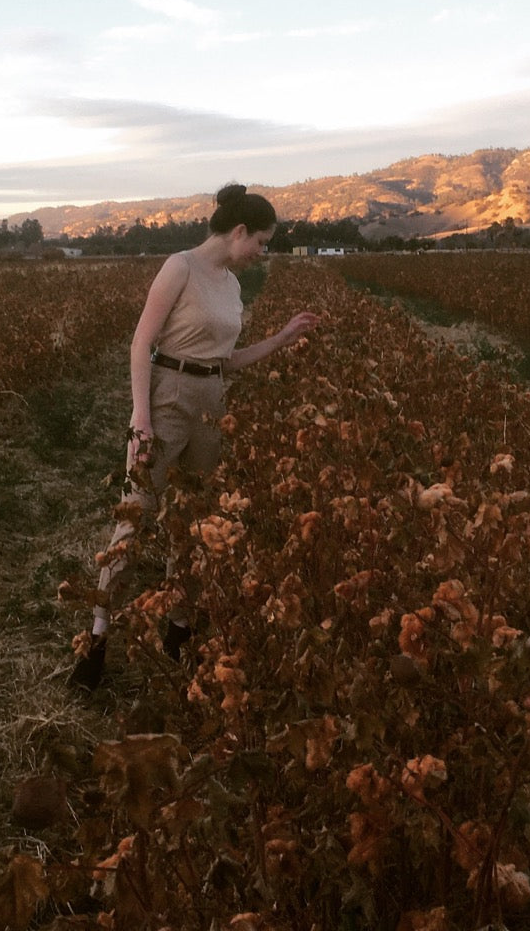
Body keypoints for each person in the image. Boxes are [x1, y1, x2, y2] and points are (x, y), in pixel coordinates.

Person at [70, 184, 319, 690]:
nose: (262, 253)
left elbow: (225, 361)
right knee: (135, 514)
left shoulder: (231, 284)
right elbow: (142, 343)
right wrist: (141, 416)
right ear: (239, 231)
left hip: (212, 405)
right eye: (263, 242)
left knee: (194, 520)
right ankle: (96, 635)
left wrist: (281, 339)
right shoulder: (180, 267)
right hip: (167, 400)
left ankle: (178, 628)